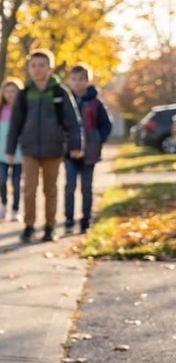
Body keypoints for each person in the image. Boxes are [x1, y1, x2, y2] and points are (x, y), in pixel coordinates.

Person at [6, 49, 84, 243]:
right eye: (33, 66)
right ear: (29, 68)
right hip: (29, 149)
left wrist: (76, 145)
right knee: (29, 188)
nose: (37, 69)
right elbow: (15, 123)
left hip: (53, 149)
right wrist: (10, 149)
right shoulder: (24, 94)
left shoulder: (60, 92)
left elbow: (73, 121)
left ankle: (50, 226)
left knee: (50, 190)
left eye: (41, 66)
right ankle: (29, 226)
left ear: (49, 69)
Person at [63, 63, 113, 235]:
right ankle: (69, 219)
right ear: (69, 81)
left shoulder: (95, 102)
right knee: (69, 186)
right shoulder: (65, 100)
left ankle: (86, 219)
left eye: (81, 79)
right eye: (74, 79)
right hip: (70, 152)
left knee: (86, 187)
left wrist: (97, 140)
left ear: (87, 81)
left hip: (90, 152)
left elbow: (106, 124)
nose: (77, 83)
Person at [0, 77, 24, 222]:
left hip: (20, 154)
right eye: (7, 91)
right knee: (2, 179)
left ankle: (15, 209)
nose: (10, 95)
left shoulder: (23, 110)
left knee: (17, 183)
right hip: (2, 153)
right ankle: (3, 204)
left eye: (13, 91)